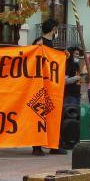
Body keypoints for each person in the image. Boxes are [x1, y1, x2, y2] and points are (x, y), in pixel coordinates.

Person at [31, 18, 60, 155]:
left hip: (50, 84)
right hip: (39, 83)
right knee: (38, 113)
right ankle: (36, 146)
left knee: (51, 113)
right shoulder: (40, 42)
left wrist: (63, 57)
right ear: (54, 28)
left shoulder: (50, 43)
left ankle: (53, 144)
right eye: (56, 28)